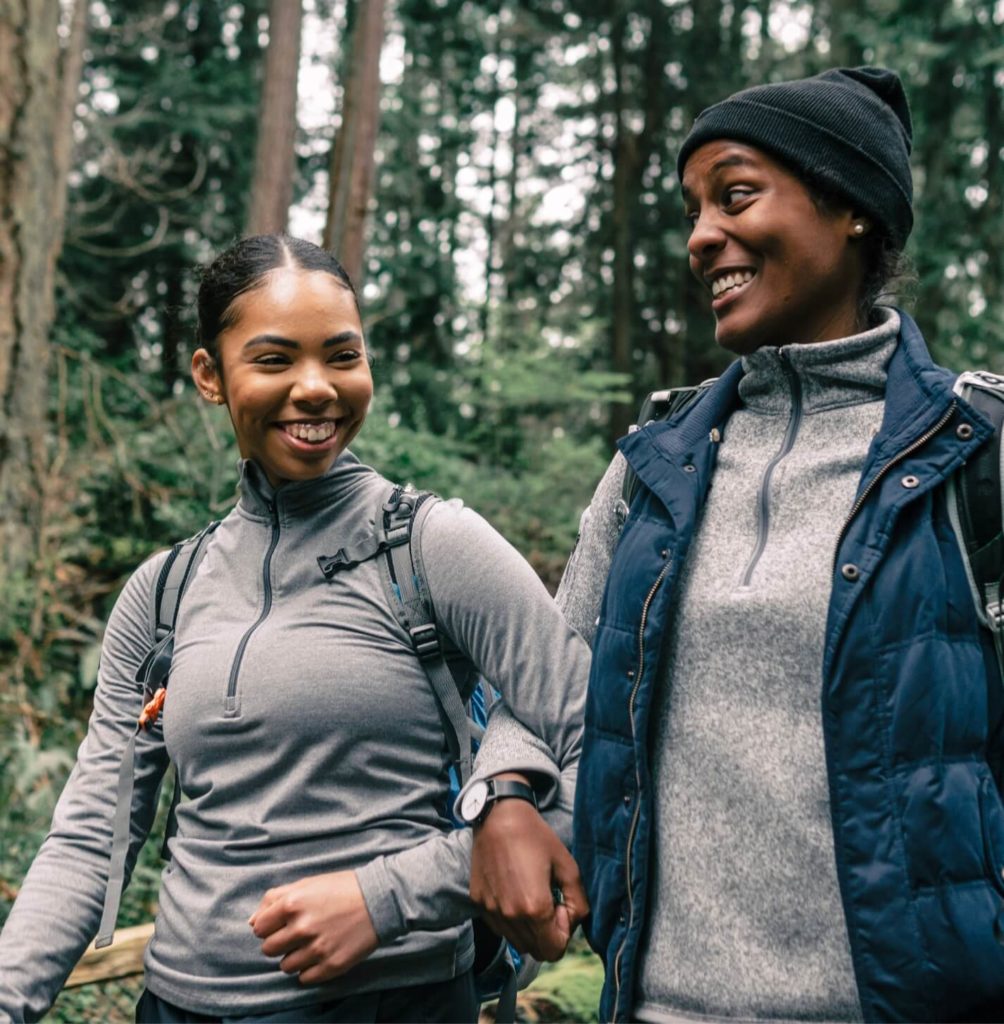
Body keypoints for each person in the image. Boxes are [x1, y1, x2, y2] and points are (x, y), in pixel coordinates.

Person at [480, 66, 1004, 1021]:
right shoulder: (655, 464)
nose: (700, 237)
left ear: (849, 208)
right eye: (693, 211)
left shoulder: (975, 455)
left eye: (735, 195)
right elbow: (546, 677)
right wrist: (505, 794)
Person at [0, 234, 589, 1024]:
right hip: (174, 1005)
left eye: (341, 356)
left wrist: (391, 895)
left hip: (393, 1004)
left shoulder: (431, 547)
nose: (316, 389)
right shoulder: (164, 592)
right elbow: (88, 841)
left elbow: (604, 748)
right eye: (275, 360)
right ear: (211, 376)